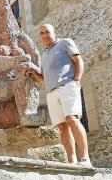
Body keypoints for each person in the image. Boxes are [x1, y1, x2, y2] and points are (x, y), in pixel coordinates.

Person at [25, 24, 92, 167]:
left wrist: (77, 80)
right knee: (62, 126)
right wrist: (34, 73)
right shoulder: (43, 56)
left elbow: (78, 60)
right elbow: (44, 81)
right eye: (41, 33)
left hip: (67, 86)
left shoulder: (65, 43)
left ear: (54, 32)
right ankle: (71, 161)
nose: (44, 35)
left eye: (47, 32)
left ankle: (85, 159)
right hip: (51, 92)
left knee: (71, 119)